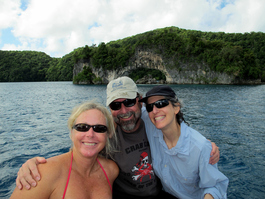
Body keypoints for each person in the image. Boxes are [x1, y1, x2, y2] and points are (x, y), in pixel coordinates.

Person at [15, 76, 220, 199]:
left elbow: (175, 125)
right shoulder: (106, 131)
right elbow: (84, 147)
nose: (124, 111)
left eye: (129, 102)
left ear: (140, 102)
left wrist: (205, 145)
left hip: (160, 195)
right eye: (115, 105)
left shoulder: (153, 119)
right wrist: (36, 164)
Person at [11, 101, 119, 199]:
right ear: (72, 133)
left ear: (108, 134)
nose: (90, 134)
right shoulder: (44, 173)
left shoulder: (111, 170)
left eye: (99, 128)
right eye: (82, 127)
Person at [139, 85, 229, 198]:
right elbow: (126, 113)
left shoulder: (200, 147)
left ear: (176, 107)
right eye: (149, 107)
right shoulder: (150, 121)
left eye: (161, 103)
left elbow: (215, 186)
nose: (155, 110)